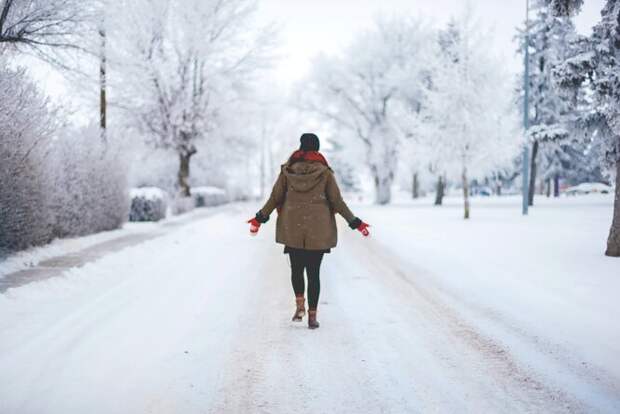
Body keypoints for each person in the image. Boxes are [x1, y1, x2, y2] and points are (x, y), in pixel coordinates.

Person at [248, 133, 370, 329]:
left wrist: (259, 218)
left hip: (292, 226)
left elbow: (275, 198)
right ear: (317, 149)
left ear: (301, 147)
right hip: (318, 229)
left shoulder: (287, 171)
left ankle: (300, 306)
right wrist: (356, 222)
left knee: (296, 269)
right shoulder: (325, 173)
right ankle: (312, 317)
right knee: (314, 273)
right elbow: (337, 202)